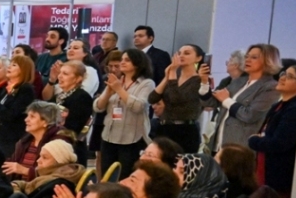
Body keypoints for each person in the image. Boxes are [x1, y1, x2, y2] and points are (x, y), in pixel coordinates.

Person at [94, 47, 155, 175]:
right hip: (109, 136)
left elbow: (139, 106)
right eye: (122, 59)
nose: (122, 62)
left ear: (137, 63)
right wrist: (108, 92)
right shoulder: (117, 81)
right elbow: (98, 107)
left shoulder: (146, 83)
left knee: (126, 175)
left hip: (132, 138)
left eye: (127, 60)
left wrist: (119, 90)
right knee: (108, 175)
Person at [212, 43, 281, 150]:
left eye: (254, 57)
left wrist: (226, 100)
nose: (247, 60)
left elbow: (250, 115)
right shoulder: (239, 81)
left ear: (268, 61)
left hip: (241, 148)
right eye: (246, 57)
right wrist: (204, 84)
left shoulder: (271, 87)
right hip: (219, 144)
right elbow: (212, 102)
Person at [147, 44, 206, 154]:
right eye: (179, 53)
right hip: (164, 127)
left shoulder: (198, 80)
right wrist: (166, 77)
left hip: (185, 130)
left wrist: (173, 74)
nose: (181, 56)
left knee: (180, 162)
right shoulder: (173, 78)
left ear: (198, 58)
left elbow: (175, 99)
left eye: (187, 53)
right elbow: (152, 98)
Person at [0, 55, 37, 157]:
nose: (9, 67)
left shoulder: (25, 89)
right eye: (10, 64)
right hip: (0, 136)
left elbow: (10, 114)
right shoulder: (6, 89)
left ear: (23, 70)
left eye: (14, 65)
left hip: (13, 139)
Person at [3, 100, 65, 181]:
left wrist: (26, 171)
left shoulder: (58, 143)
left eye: (32, 117)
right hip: (19, 186)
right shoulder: (24, 142)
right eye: (27, 116)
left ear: (46, 122)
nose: (26, 120)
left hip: (43, 187)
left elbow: (55, 172)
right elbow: (11, 165)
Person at [52, 61, 95, 161]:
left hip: (72, 148)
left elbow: (74, 127)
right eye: (60, 73)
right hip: (58, 144)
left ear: (78, 78)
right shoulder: (60, 95)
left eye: (65, 74)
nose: (60, 76)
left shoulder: (82, 97)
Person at [13, 138, 84, 195]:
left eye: (45, 157)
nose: (38, 161)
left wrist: (15, 191)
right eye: (40, 156)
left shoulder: (52, 182)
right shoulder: (63, 173)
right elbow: (27, 185)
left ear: (59, 161)